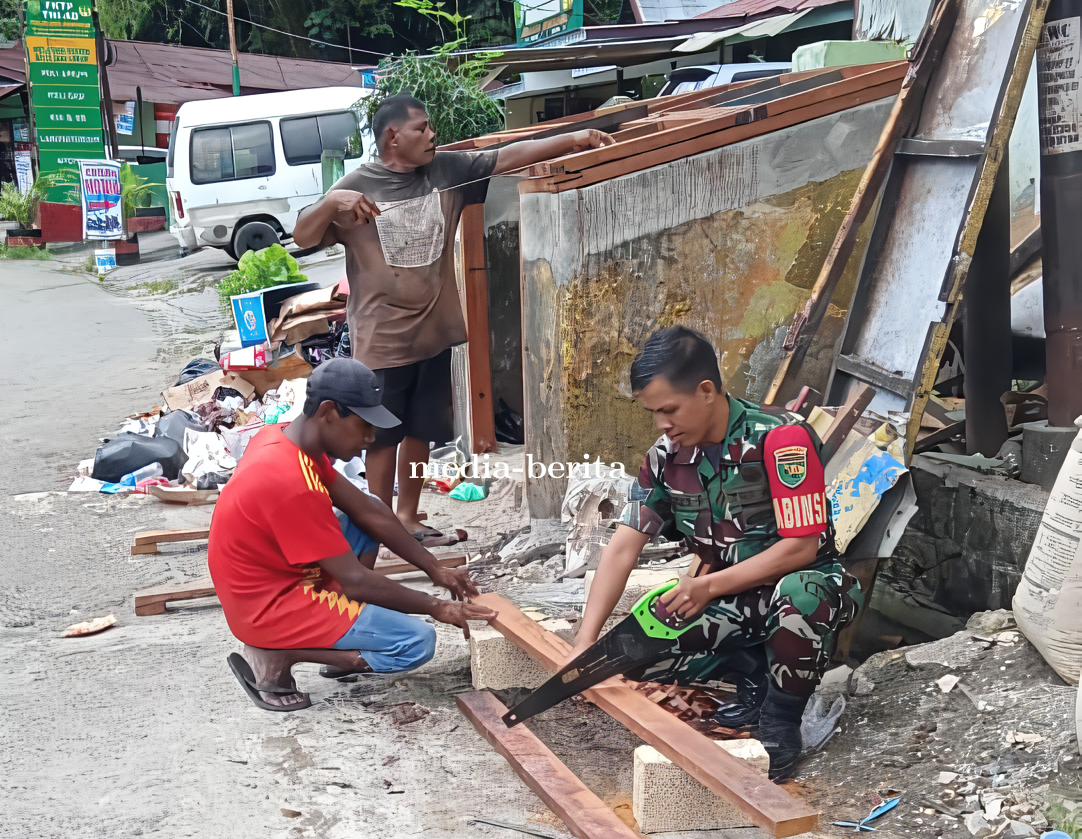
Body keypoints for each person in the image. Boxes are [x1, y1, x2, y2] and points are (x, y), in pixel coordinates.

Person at [293, 94, 614, 542]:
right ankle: (381, 525)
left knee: (422, 429)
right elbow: (302, 235)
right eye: (421, 128)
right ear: (393, 136)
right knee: (382, 435)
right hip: (381, 341)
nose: (431, 135)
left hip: (434, 333)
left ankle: (407, 516)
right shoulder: (356, 186)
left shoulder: (447, 171)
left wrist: (572, 138)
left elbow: (507, 156)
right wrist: (333, 204)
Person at [565, 326, 863, 780]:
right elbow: (624, 547)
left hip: (802, 587)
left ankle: (781, 721)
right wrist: (586, 644)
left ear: (706, 391)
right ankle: (754, 675)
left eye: (668, 409)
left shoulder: (782, 440)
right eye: (653, 413)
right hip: (729, 596)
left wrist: (707, 586)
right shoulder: (664, 458)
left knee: (802, 596)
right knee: (632, 651)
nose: (662, 424)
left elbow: (801, 547)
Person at [208, 357, 497, 712]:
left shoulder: (287, 439)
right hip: (267, 605)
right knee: (416, 642)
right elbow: (355, 581)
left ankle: (334, 638)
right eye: (364, 425)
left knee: (370, 509)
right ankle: (278, 653)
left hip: (275, 578)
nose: (370, 439)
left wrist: (435, 569)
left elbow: (368, 509)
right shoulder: (287, 481)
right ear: (329, 412)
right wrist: (438, 607)